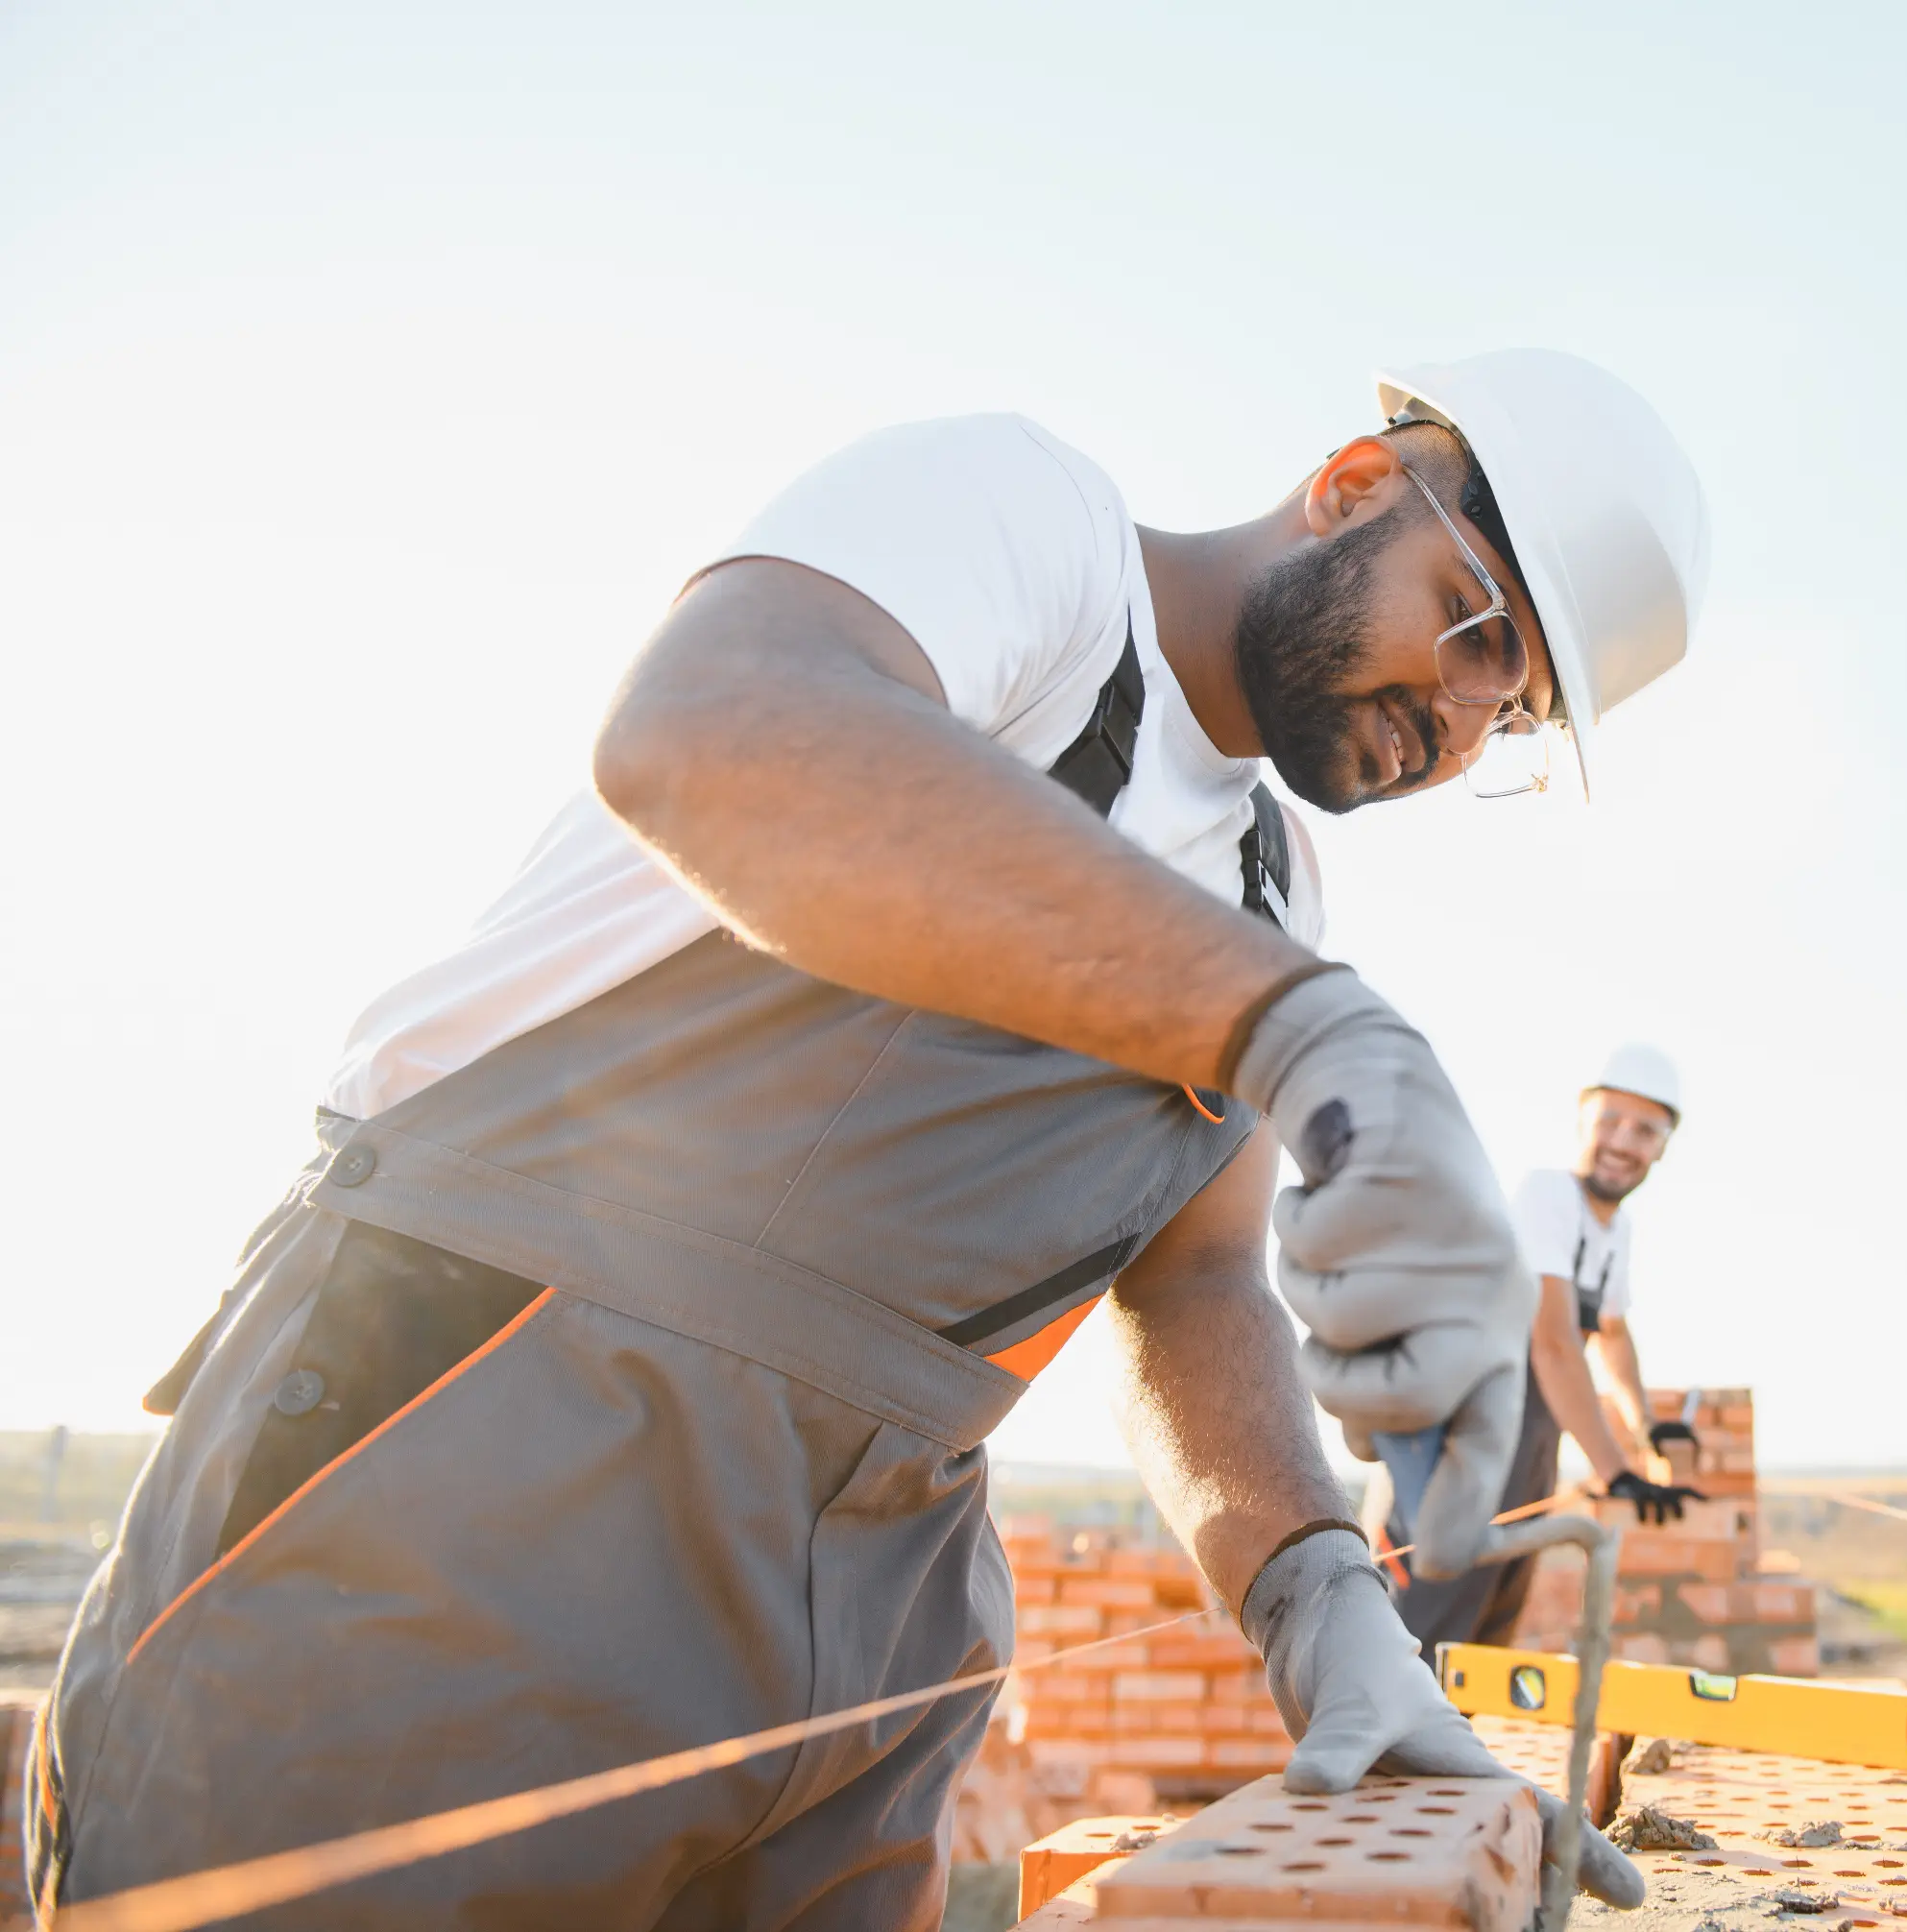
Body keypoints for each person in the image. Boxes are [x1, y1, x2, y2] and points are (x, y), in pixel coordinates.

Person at [31, 350, 1710, 1928]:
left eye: (1519, 714)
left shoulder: (1282, 893)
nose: (1463, 720)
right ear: (1354, 484)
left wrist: (1316, 1599)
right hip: (482, 1474)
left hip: (877, 1615)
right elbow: (711, 736)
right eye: (1473, 628)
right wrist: (1280, 1020)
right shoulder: (1024, 535)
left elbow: (1194, 1288)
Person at [1379, 1043, 1700, 1658]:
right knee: (1423, 1639)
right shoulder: (1547, 1196)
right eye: (1610, 1120)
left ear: (1662, 1146)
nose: (1623, 1142)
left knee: (1487, 1636)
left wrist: (1648, 1426)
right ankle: (1381, 1757)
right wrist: (1618, 1471)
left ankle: (1447, 1756)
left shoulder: (1613, 1229)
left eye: (1645, 1130)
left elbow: (1613, 1333)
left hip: (1528, 1450)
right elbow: (1553, 1345)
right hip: (1462, 1445)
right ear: (1584, 1121)